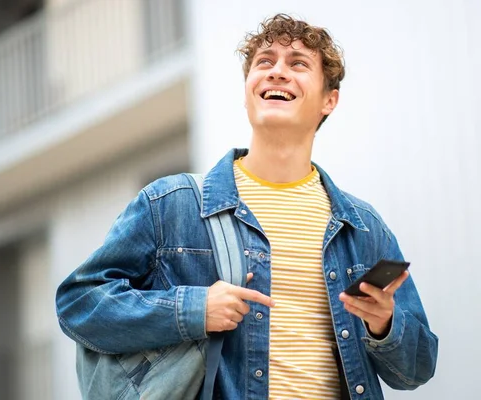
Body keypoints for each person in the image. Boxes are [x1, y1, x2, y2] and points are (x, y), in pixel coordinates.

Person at [56, 13, 438, 399]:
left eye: (298, 64)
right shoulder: (170, 204)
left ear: (329, 100)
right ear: (247, 91)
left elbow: (416, 371)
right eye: (265, 62)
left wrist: (385, 324)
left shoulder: (364, 228)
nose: (277, 72)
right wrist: (193, 309)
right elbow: (79, 303)